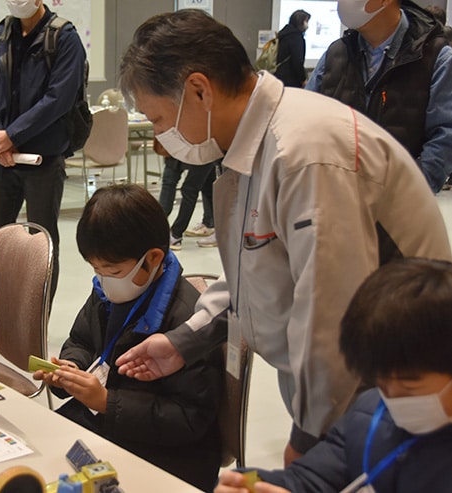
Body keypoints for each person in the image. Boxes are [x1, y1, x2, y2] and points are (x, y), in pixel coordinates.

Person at [114, 9, 451, 467]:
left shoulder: (304, 153)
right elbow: (253, 267)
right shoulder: (252, 145)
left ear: (199, 90)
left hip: (387, 386)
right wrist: (185, 340)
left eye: (157, 119)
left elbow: (330, 312)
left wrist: (310, 436)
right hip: (341, 386)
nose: (159, 138)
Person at [34, 184, 223, 490]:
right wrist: (72, 368)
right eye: (95, 269)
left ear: (152, 258)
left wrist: (109, 402)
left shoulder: (187, 322)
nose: (103, 278)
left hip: (166, 455)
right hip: (106, 427)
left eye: (111, 269)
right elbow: (81, 341)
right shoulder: (110, 290)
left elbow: (189, 419)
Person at [216, 258, 452, 493]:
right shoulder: (369, 414)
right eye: (380, 382)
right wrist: (248, 483)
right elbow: (309, 479)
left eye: (409, 386)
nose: (391, 398)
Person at [0, 0, 87, 295]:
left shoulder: (63, 38)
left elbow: (58, 99)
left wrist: (12, 135)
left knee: (42, 246)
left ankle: (35, 321)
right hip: (3, 158)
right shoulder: (2, 34)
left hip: (43, 159)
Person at [306, 0, 452, 193]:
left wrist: (410, 191)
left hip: (399, 206)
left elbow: (445, 134)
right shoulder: (335, 54)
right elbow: (305, 123)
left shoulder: (435, 57)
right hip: (335, 201)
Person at [275, 9, 311, 87]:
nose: (307, 24)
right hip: (292, 79)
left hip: (280, 76)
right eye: (306, 21)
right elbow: (297, 61)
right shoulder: (296, 38)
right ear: (300, 21)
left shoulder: (284, 35)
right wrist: (303, 79)